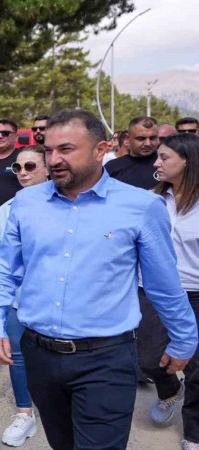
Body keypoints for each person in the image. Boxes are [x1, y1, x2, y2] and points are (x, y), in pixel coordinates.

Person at [0, 109, 198, 450]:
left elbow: (163, 284)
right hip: (39, 355)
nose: (54, 159)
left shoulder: (142, 206)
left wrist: (184, 339)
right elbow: (6, 269)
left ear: (101, 150)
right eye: (49, 150)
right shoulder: (26, 203)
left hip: (105, 360)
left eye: (66, 149)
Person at [0, 145, 49, 447]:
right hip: (18, 298)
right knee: (17, 356)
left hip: (57, 300)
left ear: (48, 168)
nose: (22, 173)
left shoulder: (68, 204)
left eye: (30, 166)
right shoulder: (7, 209)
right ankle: (24, 413)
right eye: (17, 167)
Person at [150, 133, 199, 449]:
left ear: (187, 161)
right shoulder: (152, 200)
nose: (156, 163)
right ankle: (170, 390)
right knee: (147, 358)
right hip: (155, 291)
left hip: (196, 293)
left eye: (164, 157)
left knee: (197, 370)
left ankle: (193, 433)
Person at [105, 116, 161, 190]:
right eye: (141, 139)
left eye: (152, 138)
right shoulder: (112, 167)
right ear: (128, 139)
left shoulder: (167, 164)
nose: (148, 143)